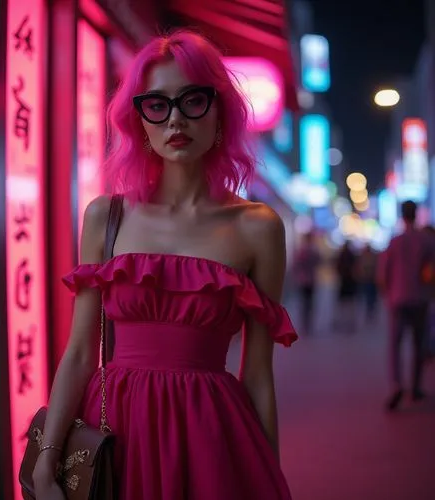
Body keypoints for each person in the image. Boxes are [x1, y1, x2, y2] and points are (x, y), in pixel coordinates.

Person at [32, 31, 297, 500]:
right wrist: (48, 454)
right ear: (140, 121)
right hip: (116, 428)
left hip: (210, 434)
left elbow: (257, 372)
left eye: (192, 99)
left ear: (220, 111)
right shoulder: (105, 217)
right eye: (157, 105)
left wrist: (268, 474)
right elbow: (78, 353)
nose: (175, 119)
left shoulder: (258, 228)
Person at [377, 200, 435, 411]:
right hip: (420, 297)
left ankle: (396, 385)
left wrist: (387, 295)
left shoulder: (395, 242)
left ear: (402, 215)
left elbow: (383, 274)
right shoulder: (427, 241)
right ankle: (416, 387)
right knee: (419, 344)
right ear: (417, 214)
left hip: (398, 298)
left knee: (395, 344)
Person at [293, 232, 320, 334]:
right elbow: (319, 261)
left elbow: (296, 265)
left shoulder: (302, 250)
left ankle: (305, 324)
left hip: (304, 280)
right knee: (308, 302)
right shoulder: (310, 250)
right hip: (309, 279)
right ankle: (307, 324)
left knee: (305, 302)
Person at [334, 240, 358, 332]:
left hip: (344, 281)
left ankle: (342, 321)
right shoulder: (351, 255)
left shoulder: (342, 255)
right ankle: (350, 322)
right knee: (350, 302)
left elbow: (338, 267)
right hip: (350, 281)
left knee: (343, 303)